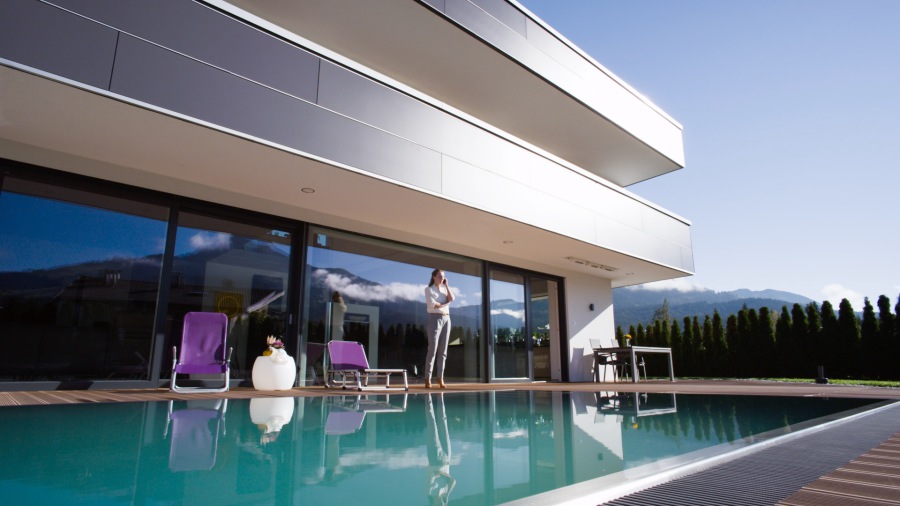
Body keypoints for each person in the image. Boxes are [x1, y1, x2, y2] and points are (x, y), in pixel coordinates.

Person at [424, 268, 454, 388]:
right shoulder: (428, 290)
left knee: (443, 351)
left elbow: (452, 298)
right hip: (435, 318)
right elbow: (434, 305)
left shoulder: (444, 290)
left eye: (443, 277)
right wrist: (445, 303)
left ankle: (440, 378)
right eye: (440, 276)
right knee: (432, 349)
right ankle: (428, 378)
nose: (442, 278)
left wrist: (447, 286)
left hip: (447, 319)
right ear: (434, 277)